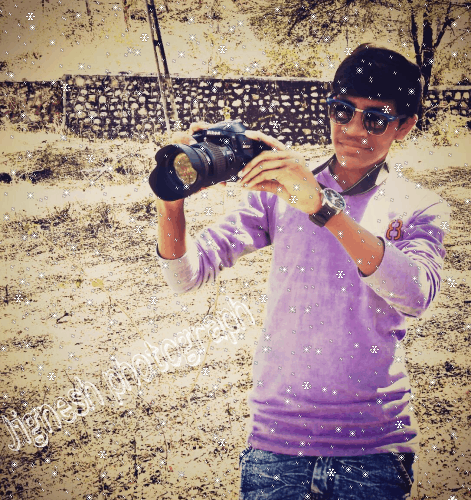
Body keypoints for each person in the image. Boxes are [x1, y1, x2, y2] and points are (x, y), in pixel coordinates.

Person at [154, 44, 451, 500]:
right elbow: (185, 276)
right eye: (342, 110)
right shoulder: (281, 191)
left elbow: (415, 294)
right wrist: (171, 200)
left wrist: (322, 207)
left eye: (375, 119)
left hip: (373, 448)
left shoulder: (419, 206)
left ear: (405, 125)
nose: (353, 129)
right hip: (276, 445)